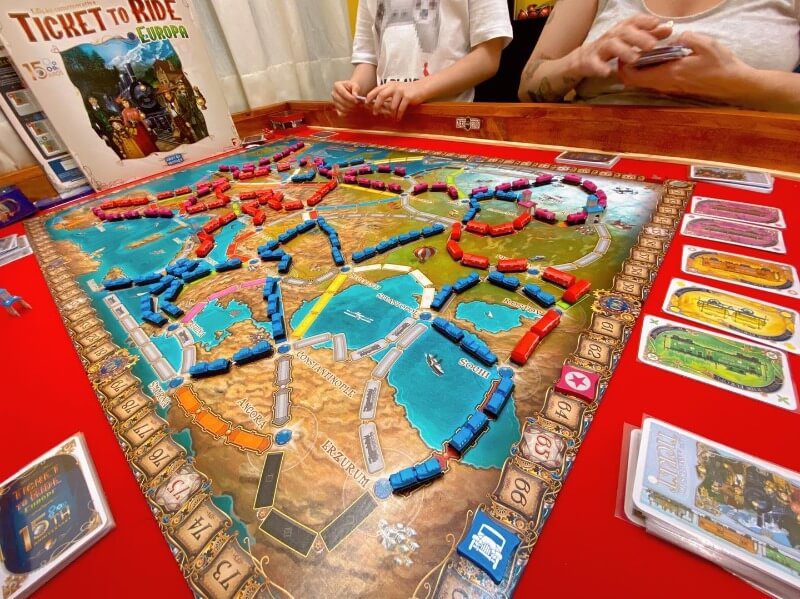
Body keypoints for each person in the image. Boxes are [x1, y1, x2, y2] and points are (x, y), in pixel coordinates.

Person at [517, 0, 800, 112]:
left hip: (743, 161)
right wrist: (579, 60)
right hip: (593, 157)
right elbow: (528, 87)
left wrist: (739, 83)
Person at [332, 0, 513, 120]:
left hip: (447, 121)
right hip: (385, 123)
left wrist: (418, 88)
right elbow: (370, 58)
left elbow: (487, 57)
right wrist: (354, 88)